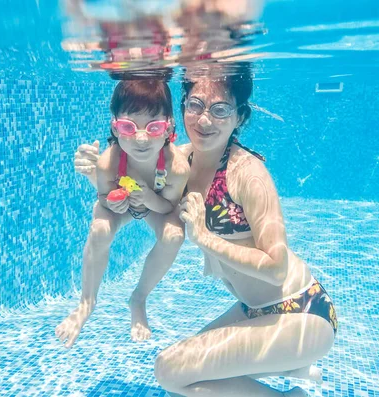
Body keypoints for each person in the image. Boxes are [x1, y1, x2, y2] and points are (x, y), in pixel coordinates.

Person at [73, 63, 337, 396]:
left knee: (170, 371)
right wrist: (97, 172)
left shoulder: (247, 175)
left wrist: (205, 238)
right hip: (251, 310)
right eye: (195, 105)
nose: (204, 120)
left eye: (220, 109)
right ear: (181, 109)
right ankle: (286, 364)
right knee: (187, 377)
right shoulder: (180, 162)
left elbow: (276, 267)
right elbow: (138, 195)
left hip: (300, 312)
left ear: (240, 116)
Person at [55, 78, 190, 349]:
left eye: (154, 127)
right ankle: (86, 303)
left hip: (155, 206)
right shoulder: (109, 162)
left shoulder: (177, 168)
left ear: (169, 128)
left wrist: (150, 197)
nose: (141, 138)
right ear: (114, 128)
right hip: (122, 208)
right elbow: (103, 198)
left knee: (174, 235)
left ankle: (138, 299)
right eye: (129, 127)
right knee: (99, 229)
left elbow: (167, 207)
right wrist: (113, 204)